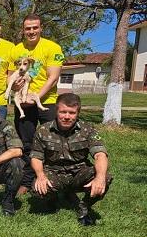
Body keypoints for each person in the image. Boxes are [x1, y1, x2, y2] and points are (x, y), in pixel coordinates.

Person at [30, 93, 112, 226]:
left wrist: (100, 177)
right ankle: (53, 199)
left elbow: (100, 154)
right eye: (63, 112)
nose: (67, 117)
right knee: (36, 188)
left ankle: (83, 206)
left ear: (77, 113)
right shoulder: (43, 130)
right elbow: (36, 156)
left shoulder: (87, 129)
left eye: (72, 113)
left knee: (105, 178)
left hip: (79, 172)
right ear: (56, 111)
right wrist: (40, 176)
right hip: (54, 171)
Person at [9, 13, 65, 192]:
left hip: (46, 101)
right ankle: (26, 181)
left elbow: (53, 78)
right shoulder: (16, 49)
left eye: (35, 27)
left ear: (41, 28)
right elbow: (10, 76)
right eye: (28, 28)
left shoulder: (52, 47)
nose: (31, 31)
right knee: (26, 142)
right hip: (24, 103)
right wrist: (17, 92)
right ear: (23, 30)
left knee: (51, 141)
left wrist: (36, 98)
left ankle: (52, 178)